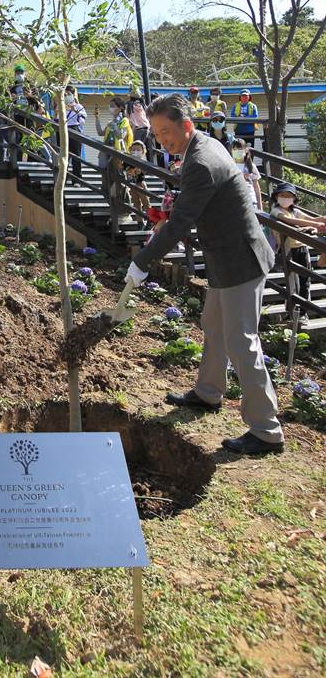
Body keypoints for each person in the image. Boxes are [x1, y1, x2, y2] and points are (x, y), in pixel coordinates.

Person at [125, 93, 284, 456]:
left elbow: (181, 219)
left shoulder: (201, 161)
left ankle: (266, 430)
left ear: (186, 125)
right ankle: (208, 392)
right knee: (213, 325)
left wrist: (143, 261)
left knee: (242, 341)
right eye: (156, 134)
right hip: (225, 257)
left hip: (241, 260)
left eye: (166, 132)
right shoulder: (202, 146)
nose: (162, 140)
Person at [270, 182, 326, 324]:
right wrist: (314, 225)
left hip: (301, 248)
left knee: (305, 281)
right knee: (293, 283)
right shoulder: (276, 210)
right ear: (276, 197)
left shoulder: (295, 210)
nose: (285, 198)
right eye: (282, 195)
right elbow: (288, 220)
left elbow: (311, 219)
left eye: (289, 196)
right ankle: (292, 313)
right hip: (287, 251)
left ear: (294, 199)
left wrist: (320, 220)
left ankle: (303, 313)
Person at [95, 97, 133, 211]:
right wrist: (97, 117)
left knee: (119, 182)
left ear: (120, 108)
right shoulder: (110, 122)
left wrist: (115, 126)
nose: (110, 108)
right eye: (110, 105)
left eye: (113, 105)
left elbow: (121, 135)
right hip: (106, 154)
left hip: (118, 155)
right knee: (105, 183)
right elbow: (100, 132)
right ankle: (112, 206)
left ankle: (123, 207)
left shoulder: (124, 121)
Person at [232, 138, 262, 208]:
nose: (237, 152)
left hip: (251, 200)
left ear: (245, 150)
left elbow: (256, 188)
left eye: (239, 149)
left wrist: (260, 206)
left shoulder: (251, 166)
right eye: (234, 149)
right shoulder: (229, 165)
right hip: (235, 201)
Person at [65, 85, 87, 180]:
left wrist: (76, 110)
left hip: (74, 129)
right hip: (64, 129)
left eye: (69, 94)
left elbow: (83, 120)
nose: (67, 96)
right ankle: (63, 178)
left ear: (73, 95)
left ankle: (77, 179)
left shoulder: (79, 106)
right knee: (64, 156)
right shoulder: (61, 106)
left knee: (76, 155)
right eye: (65, 94)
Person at [124, 139, 151, 214]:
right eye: (134, 149)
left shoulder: (143, 161)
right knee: (136, 204)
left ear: (143, 151)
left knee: (146, 202)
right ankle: (140, 222)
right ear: (130, 150)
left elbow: (145, 171)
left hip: (140, 183)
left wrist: (139, 170)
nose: (136, 151)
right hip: (132, 184)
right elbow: (126, 169)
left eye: (138, 149)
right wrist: (130, 170)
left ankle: (150, 220)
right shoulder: (128, 160)